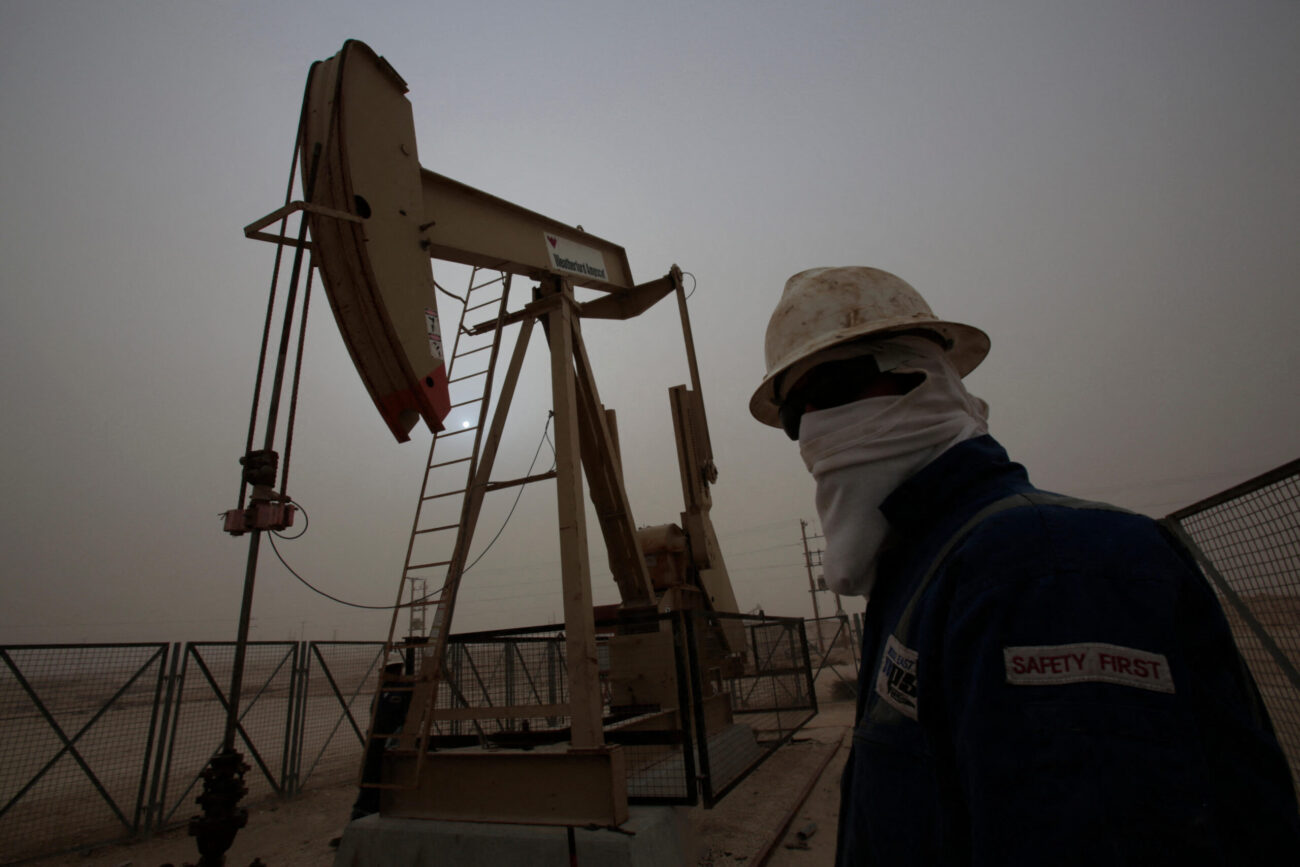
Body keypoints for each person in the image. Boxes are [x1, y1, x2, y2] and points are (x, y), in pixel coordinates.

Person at [749, 266, 1300, 865]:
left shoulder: (1046, 565)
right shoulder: (927, 570)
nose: (815, 425)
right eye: (795, 417)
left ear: (926, 376)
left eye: (835, 387)